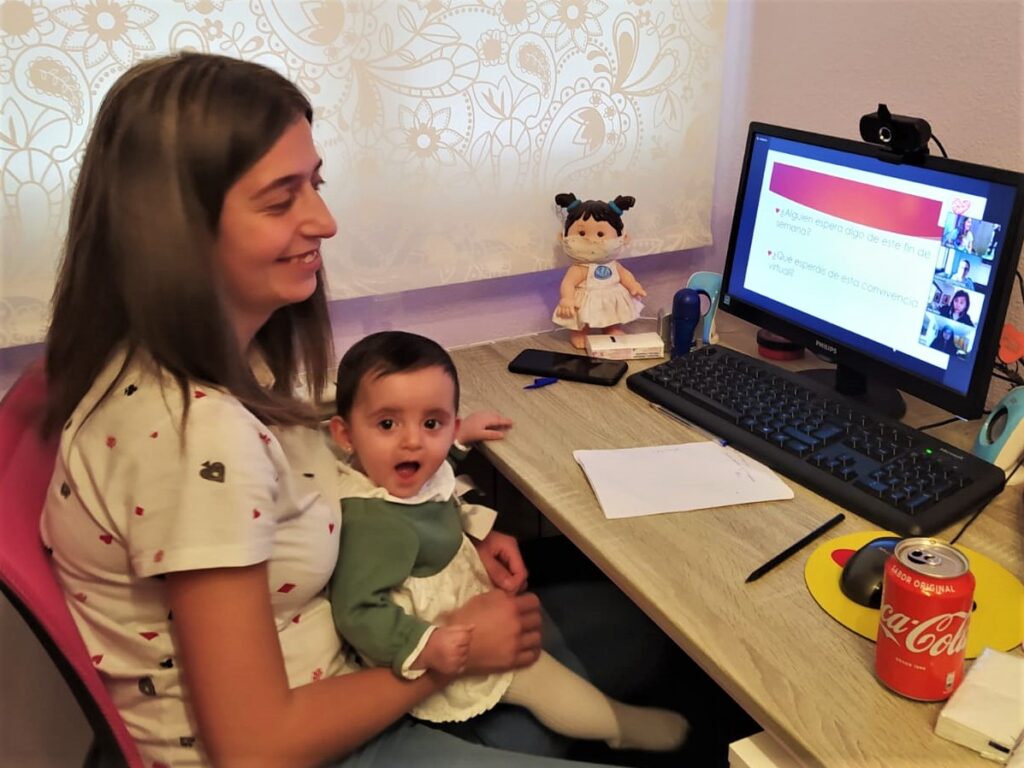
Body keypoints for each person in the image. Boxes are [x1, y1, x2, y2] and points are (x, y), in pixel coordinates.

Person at [36, 51, 680, 768]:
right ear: (173, 229)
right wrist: (452, 656)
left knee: (648, 634)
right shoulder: (194, 438)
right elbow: (256, 748)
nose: (326, 220)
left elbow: (317, 454)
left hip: (354, 646)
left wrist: (451, 514)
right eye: (281, 199)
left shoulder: (231, 359)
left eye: (315, 183)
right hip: (310, 736)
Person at [327, 331, 688, 753]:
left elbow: (435, 474)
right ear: (346, 435)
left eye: (432, 422)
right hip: (432, 638)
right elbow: (356, 611)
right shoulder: (373, 524)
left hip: (461, 603)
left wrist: (461, 439)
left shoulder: (391, 471)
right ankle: (617, 726)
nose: (413, 441)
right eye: (388, 423)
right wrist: (428, 646)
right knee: (538, 675)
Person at [551, 194, 647, 350]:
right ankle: (580, 332)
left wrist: (633, 286)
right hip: (586, 298)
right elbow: (568, 283)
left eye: (601, 234)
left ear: (624, 238)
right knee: (581, 316)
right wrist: (567, 298)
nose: (592, 240)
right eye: (581, 234)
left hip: (610, 295)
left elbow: (624, 274)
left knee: (612, 312)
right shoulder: (580, 268)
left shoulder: (614, 264)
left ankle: (611, 328)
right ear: (563, 237)